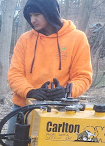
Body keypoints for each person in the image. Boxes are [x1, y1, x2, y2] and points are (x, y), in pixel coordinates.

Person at [6, 0, 92, 134]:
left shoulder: (77, 38)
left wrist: (66, 92)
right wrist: (30, 92)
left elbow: (83, 76)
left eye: (37, 14)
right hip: (23, 106)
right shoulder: (25, 39)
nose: (32, 20)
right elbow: (14, 74)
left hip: (60, 109)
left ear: (50, 12)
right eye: (30, 16)